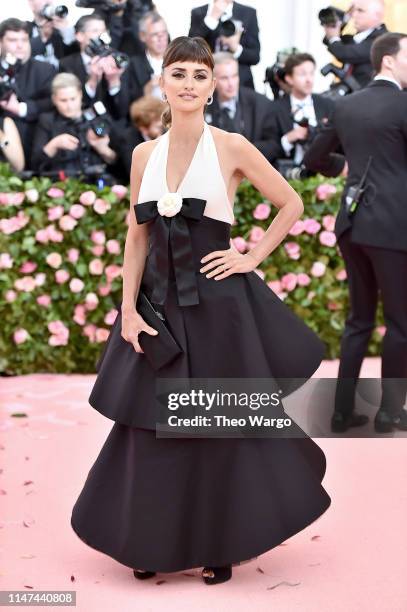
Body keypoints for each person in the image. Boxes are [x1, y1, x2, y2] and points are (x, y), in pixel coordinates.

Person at [70, 36, 331, 585]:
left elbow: (291, 202)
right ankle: (151, 543)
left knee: (216, 425)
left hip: (218, 307)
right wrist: (128, 312)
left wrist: (251, 256)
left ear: (212, 87)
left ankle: (220, 545)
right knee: (151, 430)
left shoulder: (232, 146)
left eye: (200, 75)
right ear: (162, 83)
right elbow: (136, 238)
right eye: (179, 74)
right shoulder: (144, 154)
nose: (189, 84)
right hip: (158, 308)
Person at [303, 32, 407, 434]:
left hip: (353, 222)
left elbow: (314, 157)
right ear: (388, 62)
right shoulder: (402, 105)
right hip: (394, 225)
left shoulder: (344, 106)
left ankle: (342, 412)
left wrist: (342, 168)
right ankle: (390, 412)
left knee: (358, 320)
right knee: (400, 323)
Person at [31, 72, 117, 178]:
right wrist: (54, 144)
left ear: (80, 94)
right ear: (54, 99)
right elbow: (35, 165)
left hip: (98, 181)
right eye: (63, 100)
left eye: (73, 99)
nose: (69, 106)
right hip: (61, 184)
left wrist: (102, 149)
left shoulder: (98, 117)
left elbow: (120, 165)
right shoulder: (47, 121)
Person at [0, 18, 56, 168]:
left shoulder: (45, 69)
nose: (20, 46)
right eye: (12, 40)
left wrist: (21, 109)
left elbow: (52, 102)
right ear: (1, 43)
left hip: (33, 141)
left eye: (24, 40)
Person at [205, 51, 276, 163]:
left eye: (234, 76)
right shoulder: (202, 106)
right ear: (213, 81)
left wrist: (242, 153)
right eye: (224, 78)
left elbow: (273, 144)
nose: (231, 83)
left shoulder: (261, 104)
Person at [268, 53, 335, 168]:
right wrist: (288, 139)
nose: (309, 80)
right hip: (288, 174)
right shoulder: (275, 109)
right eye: (302, 74)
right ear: (289, 78)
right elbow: (265, 149)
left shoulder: (327, 105)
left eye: (311, 73)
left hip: (323, 173)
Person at [59, 14, 129, 121]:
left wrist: (114, 81)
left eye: (104, 31)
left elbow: (123, 110)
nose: (101, 36)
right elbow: (73, 106)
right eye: (95, 31)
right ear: (79, 36)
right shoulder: (67, 64)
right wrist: (92, 81)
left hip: (113, 123)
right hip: (83, 124)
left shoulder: (116, 58)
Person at [189, 0, 260, 89]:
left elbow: (255, 57)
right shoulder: (198, 13)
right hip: (207, 84)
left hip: (241, 86)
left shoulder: (248, 13)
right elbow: (190, 51)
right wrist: (211, 19)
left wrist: (236, 48)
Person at [322, 0, 387, 88]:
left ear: (377, 15)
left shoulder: (383, 39)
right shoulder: (357, 38)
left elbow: (346, 53)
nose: (354, 15)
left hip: (365, 96)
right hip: (346, 91)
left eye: (360, 11)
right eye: (353, 11)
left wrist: (333, 37)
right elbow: (330, 41)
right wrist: (344, 19)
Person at [110, 95, 165, 178]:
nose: (161, 129)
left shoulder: (166, 133)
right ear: (144, 129)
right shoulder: (127, 140)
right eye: (157, 127)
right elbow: (135, 173)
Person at [126, 11, 170, 103]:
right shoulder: (133, 65)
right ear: (142, 36)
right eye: (155, 34)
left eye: (164, 33)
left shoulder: (179, 59)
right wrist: (147, 89)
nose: (161, 39)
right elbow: (128, 102)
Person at [27, 0, 77, 67]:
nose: (47, 1)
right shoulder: (25, 28)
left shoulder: (61, 29)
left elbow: (75, 55)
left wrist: (66, 30)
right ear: (31, 3)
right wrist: (43, 37)